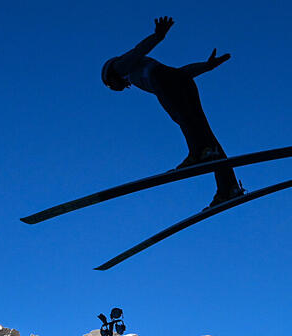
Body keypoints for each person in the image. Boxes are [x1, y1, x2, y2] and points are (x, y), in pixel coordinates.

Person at [101, 16, 244, 208]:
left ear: (110, 75)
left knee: (184, 119)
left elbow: (138, 50)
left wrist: (157, 36)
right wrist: (206, 66)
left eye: (112, 86)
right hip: (181, 80)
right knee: (206, 134)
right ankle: (229, 187)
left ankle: (199, 152)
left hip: (165, 82)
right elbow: (180, 73)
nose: (120, 88)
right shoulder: (140, 69)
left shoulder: (120, 67)